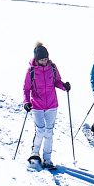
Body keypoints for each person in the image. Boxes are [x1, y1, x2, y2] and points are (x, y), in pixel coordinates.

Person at [22, 42, 70, 170]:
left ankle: (47, 159)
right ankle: (34, 154)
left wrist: (64, 86)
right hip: (37, 105)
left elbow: (57, 81)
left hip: (52, 104)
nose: (44, 61)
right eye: (42, 59)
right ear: (37, 59)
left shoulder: (52, 67)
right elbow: (26, 89)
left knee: (49, 132)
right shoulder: (31, 71)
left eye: (46, 58)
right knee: (40, 130)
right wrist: (26, 102)